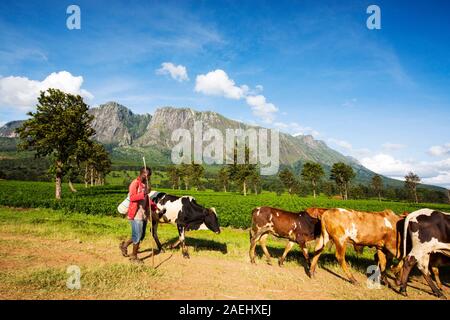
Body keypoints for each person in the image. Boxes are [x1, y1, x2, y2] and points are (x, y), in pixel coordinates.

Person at [119, 166, 158, 263]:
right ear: (142, 174)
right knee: (137, 236)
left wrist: (154, 206)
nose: (148, 177)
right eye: (147, 175)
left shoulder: (145, 185)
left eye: (149, 176)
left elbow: (146, 199)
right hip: (136, 214)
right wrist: (144, 193)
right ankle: (134, 257)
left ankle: (124, 245)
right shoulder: (134, 183)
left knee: (141, 235)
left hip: (143, 214)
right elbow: (132, 197)